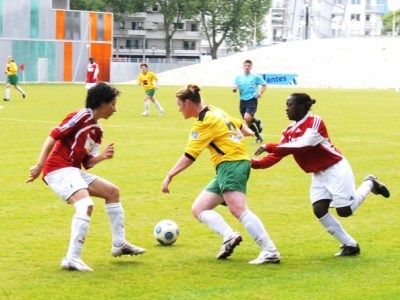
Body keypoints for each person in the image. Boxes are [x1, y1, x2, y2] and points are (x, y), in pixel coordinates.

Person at [252, 92, 390, 257]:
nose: (286, 109)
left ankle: (370, 183)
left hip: (335, 169)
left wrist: (270, 146)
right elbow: (280, 153)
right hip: (318, 174)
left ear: (302, 106)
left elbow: (303, 145)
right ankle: (350, 245)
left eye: (290, 105)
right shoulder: (288, 130)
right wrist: (255, 163)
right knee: (319, 209)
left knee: (344, 210)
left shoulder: (315, 122)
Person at [26, 82, 145, 272]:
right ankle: (71, 258)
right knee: (85, 205)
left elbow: (87, 163)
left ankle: (119, 244)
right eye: (113, 104)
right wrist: (40, 165)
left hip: (73, 170)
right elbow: (53, 135)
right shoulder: (81, 115)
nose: (115, 109)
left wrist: (102, 157)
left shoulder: (98, 131)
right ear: (101, 102)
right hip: (58, 169)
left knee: (112, 192)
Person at [161, 84, 280, 265]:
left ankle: (269, 250)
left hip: (230, 164)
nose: (178, 109)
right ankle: (229, 236)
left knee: (238, 209)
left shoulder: (203, 123)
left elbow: (190, 156)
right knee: (199, 208)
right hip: (235, 163)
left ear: (187, 102)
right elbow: (244, 128)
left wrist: (170, 175)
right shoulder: (215, 110)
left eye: (179, 104)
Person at [232, 59, 267, 144]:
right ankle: (258, 136)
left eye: (249, 66)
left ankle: (257, 123)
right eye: (246, 65)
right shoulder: (238, 78)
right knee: (248, 121)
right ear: (243, 66)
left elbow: (264, 85)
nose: (247, 67)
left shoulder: (255, 77)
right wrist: (235, 89)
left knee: (247, 117)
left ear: (251, 67)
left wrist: (260, 92)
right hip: (242, 101)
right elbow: (234, 89)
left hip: (252, 100)